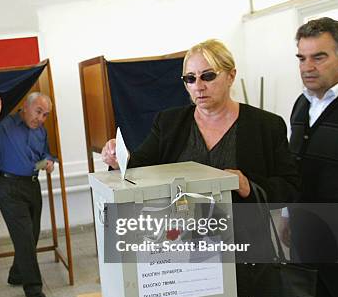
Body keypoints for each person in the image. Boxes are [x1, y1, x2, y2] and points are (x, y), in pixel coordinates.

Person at [101, 39, 300, 259]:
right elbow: (139, 167)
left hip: (244, 249)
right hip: (182, 247)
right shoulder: (169, 123)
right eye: (190, 78)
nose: (199, 86)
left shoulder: (266, 125)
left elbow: (289, 187)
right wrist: (119, 159)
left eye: (208, 76)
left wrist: (248, 186)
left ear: (231, 76)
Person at [288, 17, 338, 297]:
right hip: (312, 244)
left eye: (319, 57)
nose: (308, 67)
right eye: (301, 58)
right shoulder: (302, 106)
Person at [0, 92, 56, 297]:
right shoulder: (5, 124)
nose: (41, 118)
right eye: (38, 112)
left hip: (32, 184)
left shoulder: (41, 131)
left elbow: (46, 154)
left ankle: (16, 274)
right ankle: (33, 288)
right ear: (25, 107)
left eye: (45, 114)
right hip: (8, 186)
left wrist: (49, 161)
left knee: (32, 233)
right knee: (23, 237)